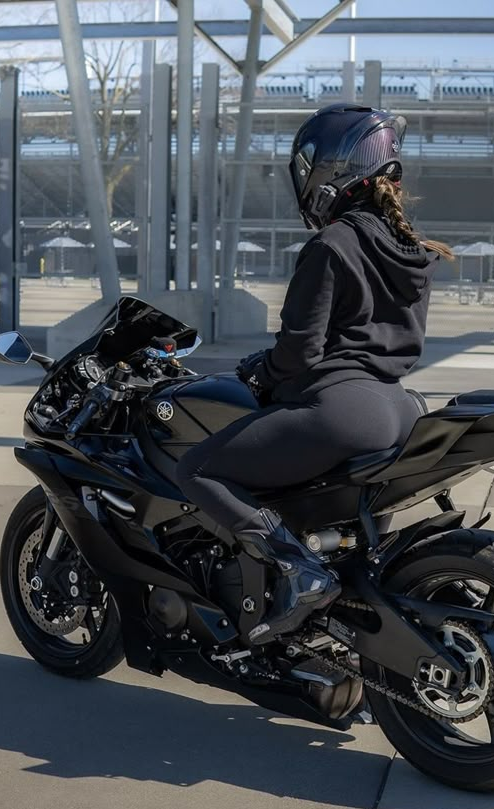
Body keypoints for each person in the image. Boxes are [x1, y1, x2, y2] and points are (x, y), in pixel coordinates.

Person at [177, 103, 453, 646]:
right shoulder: (409, 249)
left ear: (330, 171)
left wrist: (262, 371)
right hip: (399, 410)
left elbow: (300, 351)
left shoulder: (331, 245)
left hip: (340, 411)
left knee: (197, 471)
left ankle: (297, 568)